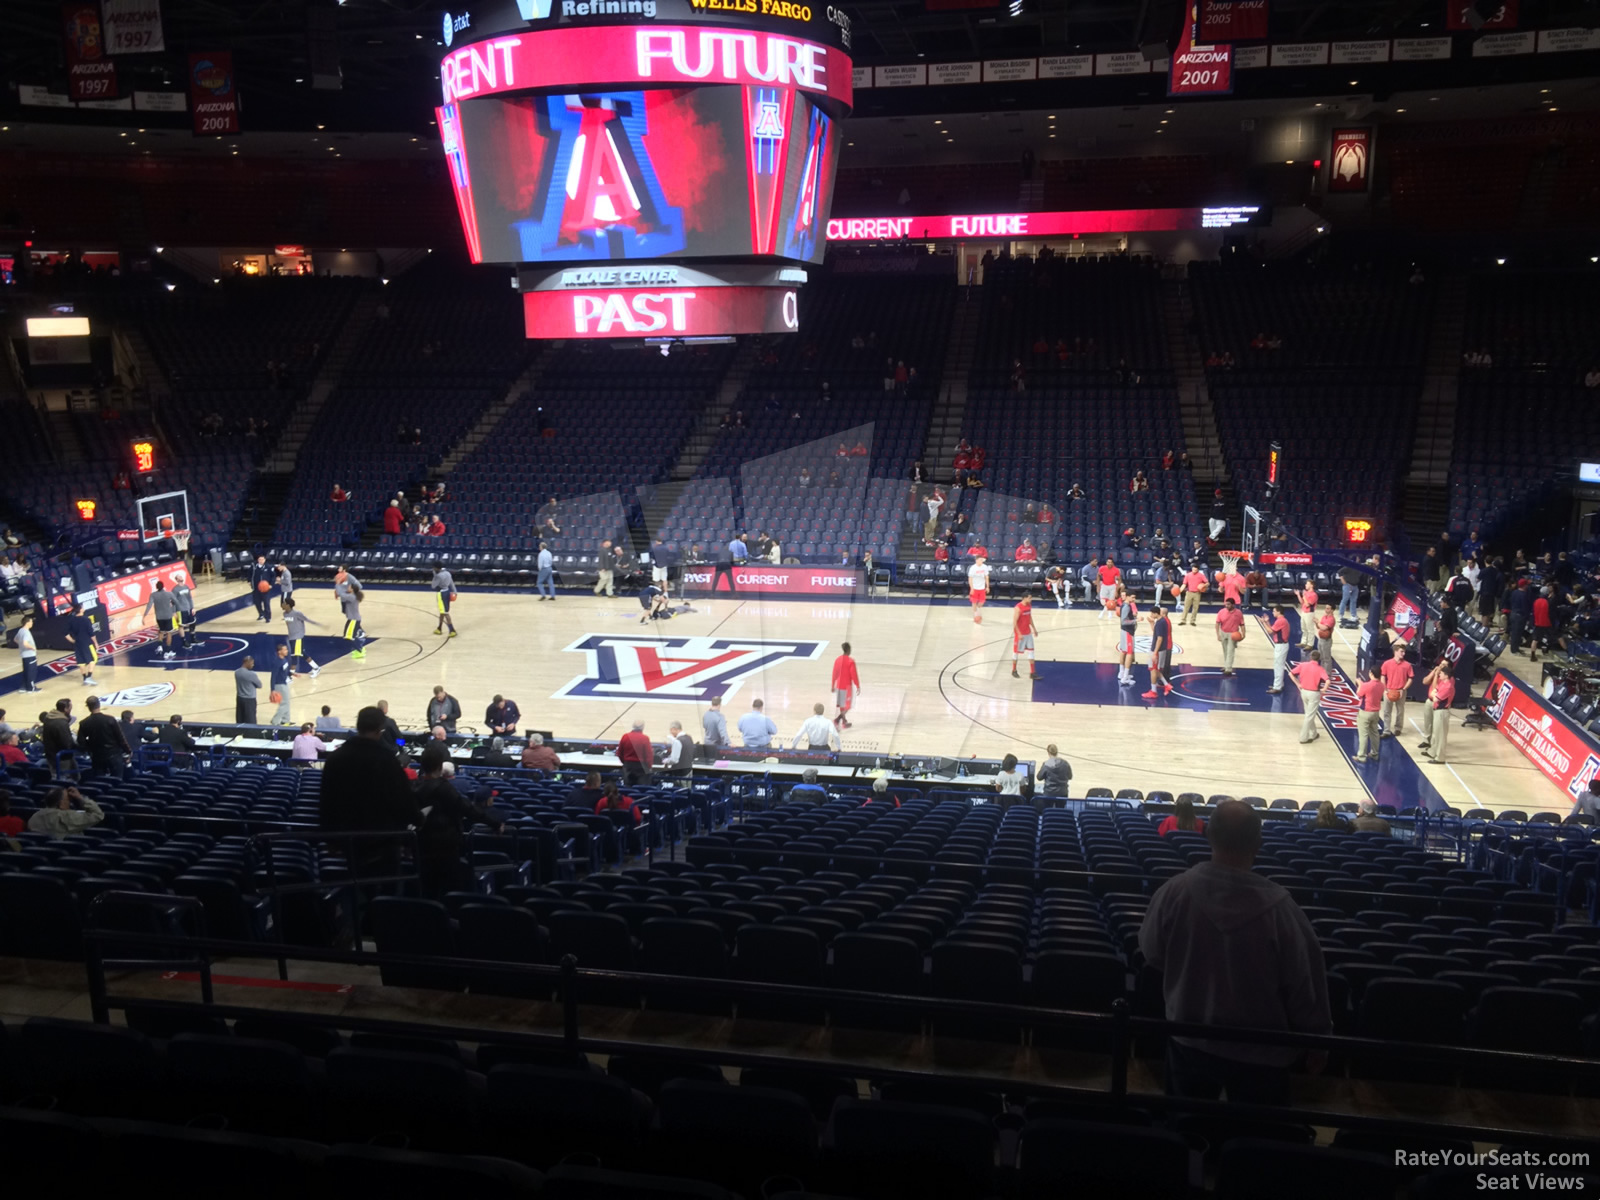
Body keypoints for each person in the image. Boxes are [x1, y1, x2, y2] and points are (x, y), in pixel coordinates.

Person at [1139, 800, 1330, 1104]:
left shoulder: (1173, 893)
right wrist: (1318, 1041)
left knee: (1187, 1132)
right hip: (1262, 1055)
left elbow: (1152, 954)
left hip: (1189, 1041)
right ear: (1258, 844)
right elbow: (1306, 987)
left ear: (1209, 835)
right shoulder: (1283, 911)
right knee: (1257, 1143)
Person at [319, 705, 422, 877]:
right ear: (379, 730)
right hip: (383, 840)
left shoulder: (335, 759)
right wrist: (417, 819)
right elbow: (402, 798)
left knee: (355, 883)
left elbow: (326, 800)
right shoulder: (387, 760)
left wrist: (330, 838)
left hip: (349, 838)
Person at [415, 743, 504, 898]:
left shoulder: (415, 787)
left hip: (422, 846)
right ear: (439, 766)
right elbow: (468, 809)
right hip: (445, 846)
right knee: (449, 889)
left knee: (427, 889)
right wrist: (495, 823)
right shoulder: (443, 788)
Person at [77, 695, 129, 779]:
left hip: (97, 756)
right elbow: (120, 738)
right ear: (99, 704)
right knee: (117, 780)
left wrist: (90, 750)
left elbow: (81, 742)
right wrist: (128, 751)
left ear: (88, 707)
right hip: (114, 755)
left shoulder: (84, 723)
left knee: (99, 781)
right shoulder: (110, 719)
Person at [27, 786, 105, 839]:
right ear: (61, 804)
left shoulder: (34, 817)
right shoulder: (67, 816)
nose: (70, 803)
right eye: (68, 800)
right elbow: (98, 815)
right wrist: (80, 797)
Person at [1417, 660, 1454, 764]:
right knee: (1436, 733)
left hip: (1442, 712)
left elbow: (1436, 697)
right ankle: (1433, 751)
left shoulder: (1448, 686)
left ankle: (1440, 757)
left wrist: (1434, 694)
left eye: (1441, 673)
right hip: (1437, 710)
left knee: (1441, 736)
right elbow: (1434, 690)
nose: (1440, 674)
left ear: (1446, 675)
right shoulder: (1442, 683)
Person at [1288, 650, 1328, 743]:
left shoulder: (1303, 665)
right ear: (1319, 659)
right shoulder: (1320, 669)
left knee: (1309, 713)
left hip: (1303, 692)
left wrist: (1297, 684)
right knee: (1309, 716)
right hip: (1314, 694)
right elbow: (1328, 680)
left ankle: (1313, 733)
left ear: (1310, 657)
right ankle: (1303, 738)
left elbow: (1291, 673)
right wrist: (1324, 689)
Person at [141, 579, 182, 660]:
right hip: (167, 616)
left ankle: (160, 646)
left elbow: (149, 605)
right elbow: (177, 602)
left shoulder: (153, 595)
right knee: (169, 633)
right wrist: (172, 604)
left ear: (156, 587)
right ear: (163, 587)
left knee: (160, 631)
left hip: (159, 617)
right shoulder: (169, 594)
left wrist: (144, 616)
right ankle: (168, 652)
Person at [1379, 643, 1412, 740]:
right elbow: (1383, 676)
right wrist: (1384, 689)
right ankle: (1386, 730)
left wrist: (1403, 689)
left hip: (1401, 691)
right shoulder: (1387, 663)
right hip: (1389, 690)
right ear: (1395, 652)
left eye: (1404, 651)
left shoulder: (1407, 665)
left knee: (1400, 711)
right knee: (1386, 711)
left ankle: (1398, 728)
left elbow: (1410, 678)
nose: (1403, 653)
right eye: (1401, 651)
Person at [281, 597, 321, 676]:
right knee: (301, 653)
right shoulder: (285, 614)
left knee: (295, 655)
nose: (282, 604)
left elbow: (306, 619)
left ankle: (290, 675)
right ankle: (316, 667)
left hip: (298, 637)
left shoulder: (297, 613)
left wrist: (317, 624)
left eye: (284, 603)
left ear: (288, 605)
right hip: (291, 637)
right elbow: (288, 625)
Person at [334, 568, 367, 660]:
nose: (348, 587)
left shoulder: (351, 597)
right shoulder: (352, 596)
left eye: (349, 587)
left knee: (349, 637)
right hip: (352, 619)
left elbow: (341, 594)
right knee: (346, 636)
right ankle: (359, 649)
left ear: (352, 589)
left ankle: (360, 650)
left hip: (354, 619)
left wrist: (338, 583)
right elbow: (341, 595)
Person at [1353, 668, 1385, 762]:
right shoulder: (1382, 686)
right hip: (1376, 713)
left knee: (1363, 735)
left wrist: (1360, 684)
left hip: (1365, 712)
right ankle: (1375, 754)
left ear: (1371, 673)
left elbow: (1358, 694)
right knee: (1375, 734)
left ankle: (1361, 756)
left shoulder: (1366, 685)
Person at [1144, 604, 1174, 699]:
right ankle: (1166, 685)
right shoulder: (1162, 621)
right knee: (1156, 670)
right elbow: (1156, 633)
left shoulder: (1161, 623)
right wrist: (1152, 623)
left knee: (1153, 670)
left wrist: (1155, 652)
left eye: (1152, 614)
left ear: (1156, 613)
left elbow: (1160, 638)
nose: (1151, 615)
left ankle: (1153, 691)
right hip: (1162, 649)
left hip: (1158, 650)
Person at [65, 602, 98, 687]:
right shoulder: (86, 620)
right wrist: (96, 643)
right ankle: (89, 677)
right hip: (87, 642)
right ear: (80, 609)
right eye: (82, 607)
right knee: (93, 659)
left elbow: (66, 634)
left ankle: (84, 678)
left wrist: (73, 641)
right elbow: (91, 633)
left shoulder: (71, 620)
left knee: (81, 661)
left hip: (77, 643)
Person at [830, 641, 861, 729]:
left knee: (842, 705)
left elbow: (834, 673)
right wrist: (857, 685)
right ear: (848, 650)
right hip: (847, 686)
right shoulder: (850, 661)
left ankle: (843, 721)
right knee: (848, 705)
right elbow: (853, 674)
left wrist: (833, 685)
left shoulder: (838, 660)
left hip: (839, 686)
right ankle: (837, 720)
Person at [1116, 585, 1140, 687]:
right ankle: (1125, 677)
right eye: (1133, 597)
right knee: (1129, 653)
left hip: (1124, 632)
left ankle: (1121, 673)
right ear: (1128, 597)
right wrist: (1136, 620)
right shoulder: (1126, 606)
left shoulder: (1125, 606)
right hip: (1127, 632)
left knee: (1123, 651)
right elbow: (1124, 621)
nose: (1134, 599)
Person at [1214, 597, 1245, 678]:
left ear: (1233, 605)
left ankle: (1228, 669)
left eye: (1228, 604)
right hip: (1223, 632)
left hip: (1233, 634)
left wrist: (1243, 634)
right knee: (1225, 650)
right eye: (1226, 604)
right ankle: (1226, 665)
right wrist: (1218, 635)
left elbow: (1242, 624)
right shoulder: (1221, 612)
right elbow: (1217, 624)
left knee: (1230, 651)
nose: (1226, 606)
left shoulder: (1238, 613)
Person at [616, 719, 653, 785]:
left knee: (628, 788)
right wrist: (648, 767)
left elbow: (619, 753)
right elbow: (649, 756)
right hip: (641, 768)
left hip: (628, 766)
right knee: (641, 790)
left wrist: (625, 763)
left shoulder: (625, 737)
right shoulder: (645, 738)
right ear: (643, 727)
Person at [1266, 604, 1292, 695]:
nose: (1273, 612)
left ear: (1278, 612)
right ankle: (1279, 684)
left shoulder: (1280, 621)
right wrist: (1267, 622)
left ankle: (1277, 687)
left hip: (1281, 646)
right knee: (1278, 665)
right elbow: (1273, 630)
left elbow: (1270, 631)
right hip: (1281, 645)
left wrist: (1263, 623)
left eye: (1274, 611)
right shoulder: (1282, 620)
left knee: (1278, 666)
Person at [1012, 594, 1037, 679]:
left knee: (1031, 652)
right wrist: (1018, 633)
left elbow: (1029, 617)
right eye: (1029, 598)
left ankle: (1032, 672)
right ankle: (1014, 670)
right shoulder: (1018, 608)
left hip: (1028, 632)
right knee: (1015, 653)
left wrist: (1034, 628)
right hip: (1020, 634)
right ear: (1024, 598)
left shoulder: (1029, 606)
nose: (1031, 599)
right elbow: (1014, 622)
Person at [269, 643, 294, 725]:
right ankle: (275, 721)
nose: (287, 651)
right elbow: (273, 676)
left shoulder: (284, 660)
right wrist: (272, 689)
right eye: (285, 649)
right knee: (284, 703)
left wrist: (292, 674)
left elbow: (285, 671)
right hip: (279, 685)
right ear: (279, 652)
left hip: (284, 683)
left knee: (287, 702)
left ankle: (286, 720)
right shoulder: (277, 662)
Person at [431, 560, 458, 637]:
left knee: (445, 613)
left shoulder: (438, 576)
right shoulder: (448, 573)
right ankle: (439, 628)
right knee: (442, 612)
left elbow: (433, 586)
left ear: (436, 568)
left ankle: (452, 630)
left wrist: (434, 576)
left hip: (441, 594)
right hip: (447, 592)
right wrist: (455, 592)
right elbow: (451, 583)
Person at [13, 613, 39, 693]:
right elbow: (25, 643)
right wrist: (32, 648)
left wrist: (21, 645)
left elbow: (15, 639)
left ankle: (23, 687)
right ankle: (31, 688)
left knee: (26, 671)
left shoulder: (20, 630)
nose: (32, 623)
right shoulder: (26, 632)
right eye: (31, 622)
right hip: (29, 655)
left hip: (24, 655)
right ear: (27, 623)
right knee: (31, 672)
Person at [234, 655, 263, 725]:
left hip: (239, 698)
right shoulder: (251, 674)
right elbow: (260, 685)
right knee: (251, 721)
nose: (253, 665)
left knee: (240, 720)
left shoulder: (236, 672)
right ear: (247, 662)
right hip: (249, 700)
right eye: (252, 663)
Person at [171, 574, 197, 650]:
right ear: (176, 579)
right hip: (181, 609)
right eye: (179, 577)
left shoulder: (186, 586)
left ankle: (193, 638)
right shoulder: (175, 589)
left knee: (193, 623)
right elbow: (173, 601)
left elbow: (190, 598)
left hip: (188, 608)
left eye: (181, 576)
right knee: (181, 625)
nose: (181, 577)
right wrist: (174, 612)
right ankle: (184, 641)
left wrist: (193, 607)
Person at [248, 554, 275, 621]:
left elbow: (273, 576)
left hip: (265, 588)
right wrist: (249, 581)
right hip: (256, 588)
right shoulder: (253, 566)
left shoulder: (269, 567)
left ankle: (268, 617)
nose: (261, 561)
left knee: (266, 603)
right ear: (257, 560)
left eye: (262, 559)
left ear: (265, 560)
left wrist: (271, 584)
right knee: (257, 602)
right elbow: (249, 573)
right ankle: (261, 613)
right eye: (260, 559)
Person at [968, 553, 991, 624]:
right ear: (977, 560)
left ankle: (977, 610)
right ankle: (975, 615)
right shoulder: (973, 568)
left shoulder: (985, 567)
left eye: (982, 560)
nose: (982, 561)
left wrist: (987, 586)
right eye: (980, 560)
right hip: (975, 588)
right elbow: (970, 579)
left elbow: (986, 577)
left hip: (982, 588)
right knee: (974, 602)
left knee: (981, 602)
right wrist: (971, 588)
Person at [1097, 558, 1121, 622]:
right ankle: (1109, 611)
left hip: (1112, 586)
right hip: (1104, 585)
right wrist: (1098, 586)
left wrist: (1116, 590)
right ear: (1106, 562)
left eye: (1111, 562)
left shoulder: (1116, 570)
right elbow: (1098, 576)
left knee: (1111, 601)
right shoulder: (1102, 568)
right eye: (1108, 562)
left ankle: (1103, 613)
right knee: (1102, 601)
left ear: (1113, 563)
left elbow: (1119, 580)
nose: (1109, 563)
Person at [1297, 580, 1318, 651]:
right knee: (1304, 628)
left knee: (1310, 629)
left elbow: (1307, 604)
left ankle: (1310, 644)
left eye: (1307, 584)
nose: (1305, 585)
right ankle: (1303, 642)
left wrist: (1304, 596)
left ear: (1311, 585)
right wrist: (1298, 595)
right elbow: (1302, 602)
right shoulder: (1306, 593)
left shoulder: (1314, 595)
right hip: (1303, 612)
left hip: (1309, 613)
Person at [1315, 604, 1336, 669]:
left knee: (1326, 658)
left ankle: (1327, 674)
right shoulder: (1324, 617)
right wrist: (1316, 623)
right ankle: (1322, 671)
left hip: (1326, 640)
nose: (1326, 610)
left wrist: (1318, 622)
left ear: (1332, 610)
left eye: (1328, 608)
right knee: (1321, 657)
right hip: (1320, 639)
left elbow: (1324, 628)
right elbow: (1318, 627)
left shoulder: (1331, 619)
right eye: (1326, 608)